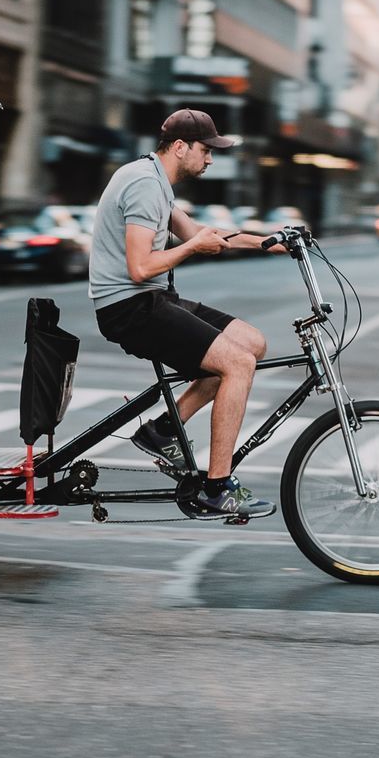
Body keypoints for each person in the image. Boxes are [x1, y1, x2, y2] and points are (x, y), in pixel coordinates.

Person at [89, 109, 281, 521]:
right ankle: (217, 488)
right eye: (206, 149)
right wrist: (193, 249)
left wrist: (269, 242)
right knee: (238, 364)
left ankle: (163, 430)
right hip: (129, 307)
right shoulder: (143, 184)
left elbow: (200, 234)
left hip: (153, 299)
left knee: (251, 342)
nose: (210, 158)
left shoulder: (155, 182)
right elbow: (140, 267)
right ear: (180, 147)